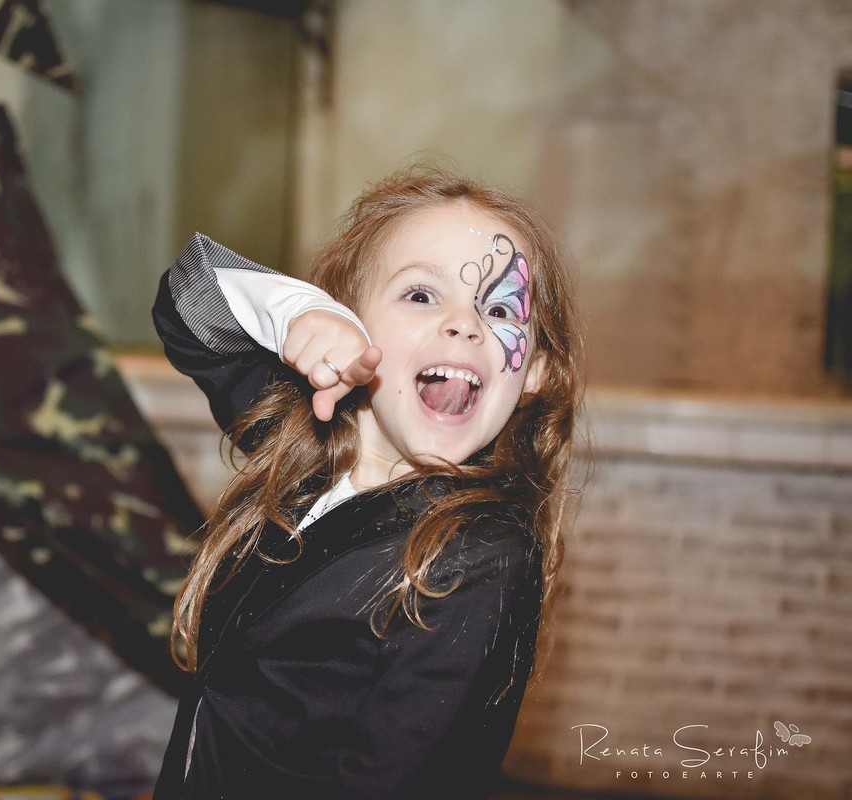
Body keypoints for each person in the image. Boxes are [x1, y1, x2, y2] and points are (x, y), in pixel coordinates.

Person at [151, 166, 585, 799]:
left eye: (497, 309)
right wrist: (300, 314)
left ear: (536, 371)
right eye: (421, 295)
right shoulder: (307, 456)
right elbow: (188, 295)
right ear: (353, 321)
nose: (464, 324)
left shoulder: (476, 554)